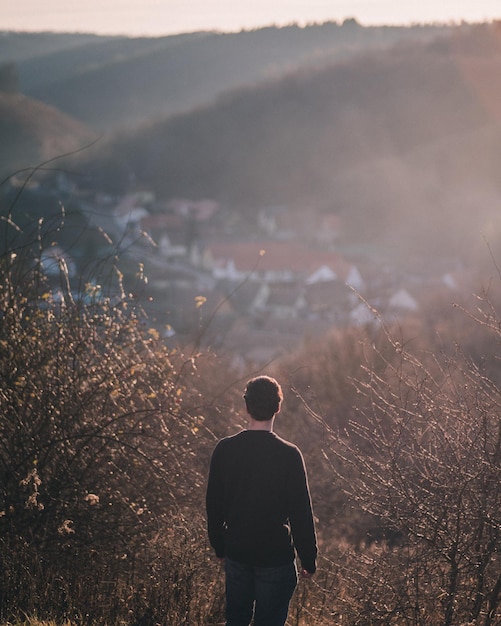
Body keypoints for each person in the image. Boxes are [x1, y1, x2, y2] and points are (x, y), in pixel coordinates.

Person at [206, 375, 317, 626]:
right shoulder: (289, 455)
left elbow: (214, 506)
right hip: (275, 557)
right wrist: (308, 558)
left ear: (246, 406)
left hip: (237, 552)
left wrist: (220, 546)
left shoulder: (225, 450)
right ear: (278, 407)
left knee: (236, 621)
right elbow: (301, 513)